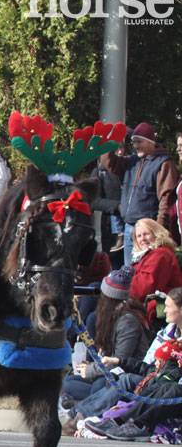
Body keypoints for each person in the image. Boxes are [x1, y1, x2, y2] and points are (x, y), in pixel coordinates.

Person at [62, 266, 149, 401]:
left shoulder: (128, 322)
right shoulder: (111, 316)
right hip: (108, 369)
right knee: (68, 381)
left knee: (99, 385)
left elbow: (120, 360)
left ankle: (92, 401)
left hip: (124, 375)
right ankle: (93, 399)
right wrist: (90, 367)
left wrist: (91, 371)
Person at [120, 122, 177, 262]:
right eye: (134, 142)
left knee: (147, 273)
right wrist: (110, 143)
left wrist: (158, 229)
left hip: (148, 231)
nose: (136, 146)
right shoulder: (133, 161)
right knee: (129, 275)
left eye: (139, 142)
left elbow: (166, 198)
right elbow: (109, 164)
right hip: (129, 228)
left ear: (151, 142)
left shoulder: (163, 163)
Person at [129, 218, 182, 320]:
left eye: (146, 234)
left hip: (157, 306)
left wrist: (120, 290)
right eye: (139, 236)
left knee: (95, 317)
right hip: (142, 303)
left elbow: (145, 287)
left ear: (156, 233)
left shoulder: (161, 254)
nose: (142, 239)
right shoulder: (143, 256)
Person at [91, 150, 126, 267]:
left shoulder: (132, 168)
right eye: (116, 149)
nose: (120, 152)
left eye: (122, 148)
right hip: (110, 232)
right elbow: (94, 201)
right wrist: (117, 206)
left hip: (133, 228)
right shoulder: (99, 172)